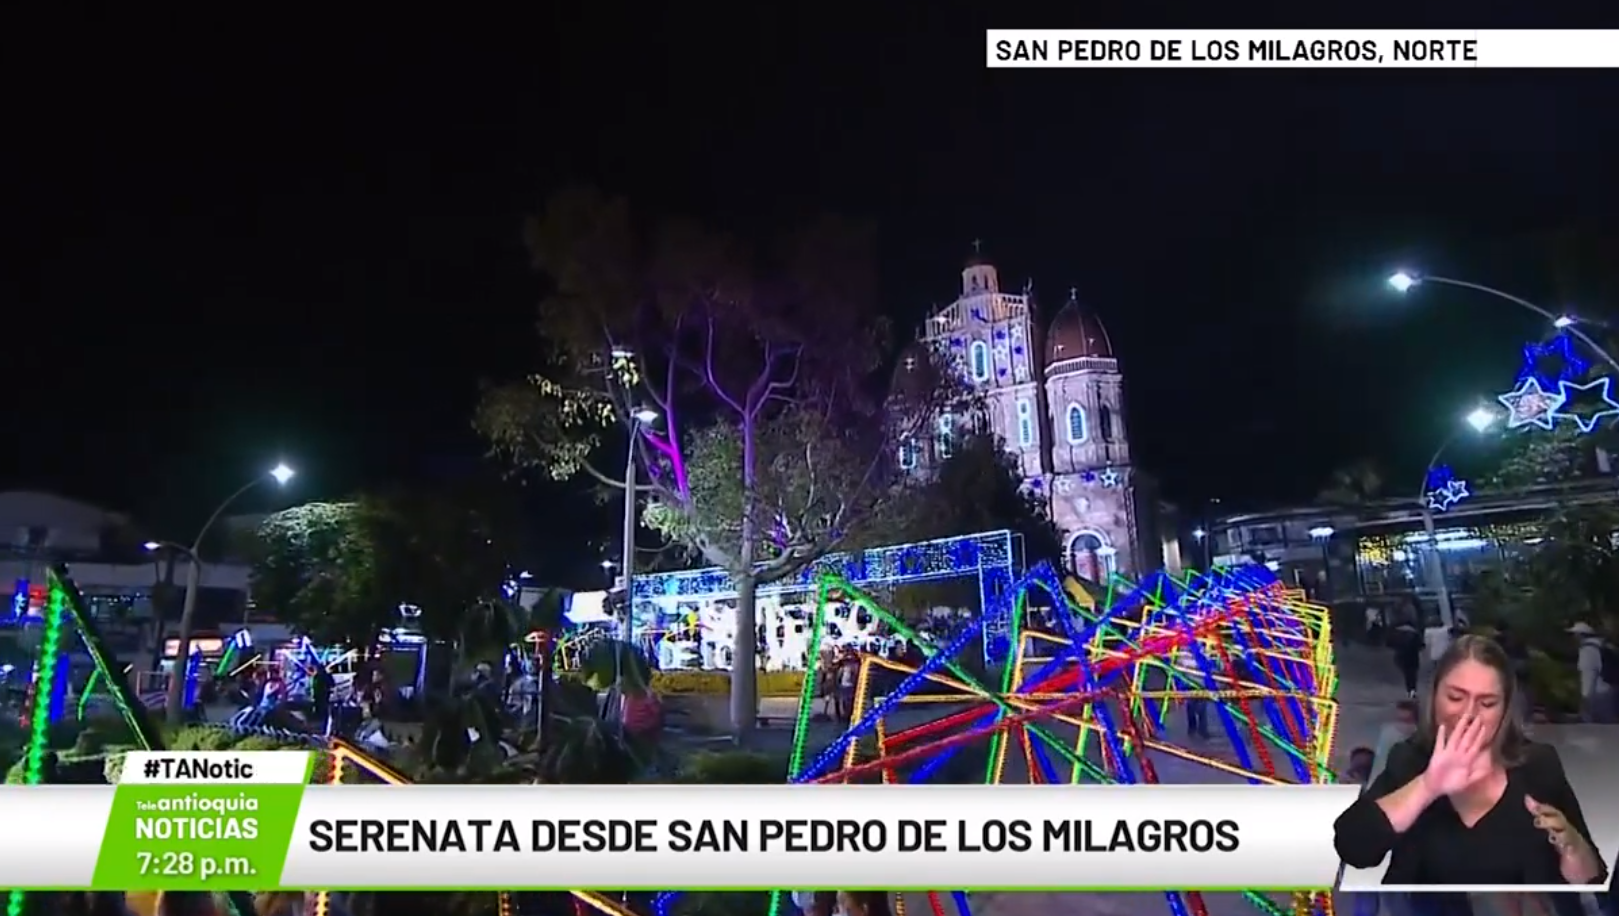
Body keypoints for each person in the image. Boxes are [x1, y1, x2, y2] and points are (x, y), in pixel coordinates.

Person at [1334, 635, 1607, 895]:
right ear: (1434, 698)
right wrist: (1428, 786)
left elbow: (1594, 879)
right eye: (1455, 698)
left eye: (1487, 703)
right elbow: (1354, 848)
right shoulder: (1407, 759)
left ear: (1505, 710)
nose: (1469, 714)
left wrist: (1573, 847)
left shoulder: (1539, 765)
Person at [1570, 622, 1611, 723]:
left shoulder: (1587, 651)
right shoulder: (1602, 646)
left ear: (1580, 635)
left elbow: (1588, 677)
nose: (1573, 638)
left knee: (1593, 728)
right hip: (1610, 691)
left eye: (1574, 635)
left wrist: (1585, 699)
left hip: (1597, 695)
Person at [1390, 619, 1422, 700]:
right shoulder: (1415, 634)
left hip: (1402, 657)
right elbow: (1420, 645)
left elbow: (1391, 644)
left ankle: (1409, 690)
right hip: (1413, 657)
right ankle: (1413, 690)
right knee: (1413, 675)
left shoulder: (1397, 634)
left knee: (1407, 675)